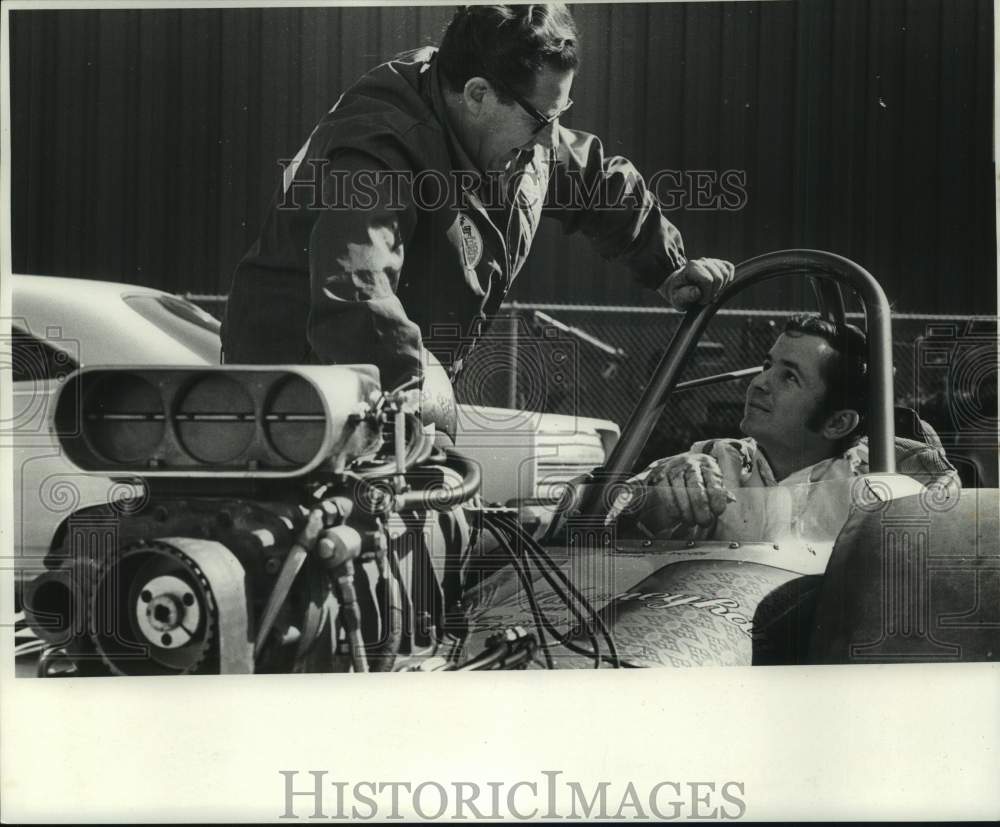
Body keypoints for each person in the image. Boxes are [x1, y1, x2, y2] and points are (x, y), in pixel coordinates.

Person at [220, 3, 733, 393]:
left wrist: (668, 268)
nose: (550, 141)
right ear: (478, 94)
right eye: (541, 121)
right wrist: (420, 384)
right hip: (296, 401)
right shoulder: (376, 147)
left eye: (561, 116)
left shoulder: (520, 142)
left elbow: (599, 180)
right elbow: (356, 291)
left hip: (394, 386)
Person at [608, 314, 961, 536]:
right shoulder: (710, 461)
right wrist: (656, 496)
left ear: (838, 423)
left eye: (789, 377)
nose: (760, 383)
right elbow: (599, 513)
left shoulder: (883, 482)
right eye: (767, 365)